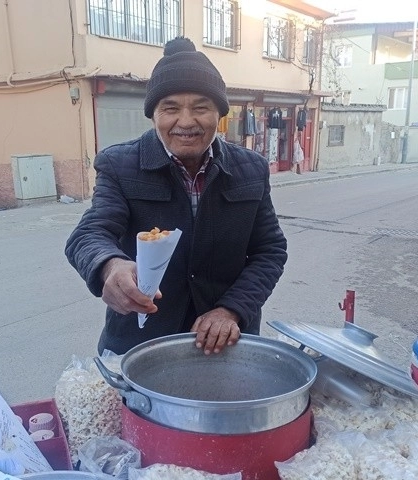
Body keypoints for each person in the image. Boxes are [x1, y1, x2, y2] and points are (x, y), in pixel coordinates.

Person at [65, 37, 288, 356]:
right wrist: (109, 267)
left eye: (201, 108)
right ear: (153, 114)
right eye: (170, 108)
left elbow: (270, 249)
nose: (186, 122)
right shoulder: (119, 164)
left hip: (223, 344)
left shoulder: (249, 168)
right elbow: (90, 234)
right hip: (141, 344)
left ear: (219, 114)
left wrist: (232, 310)